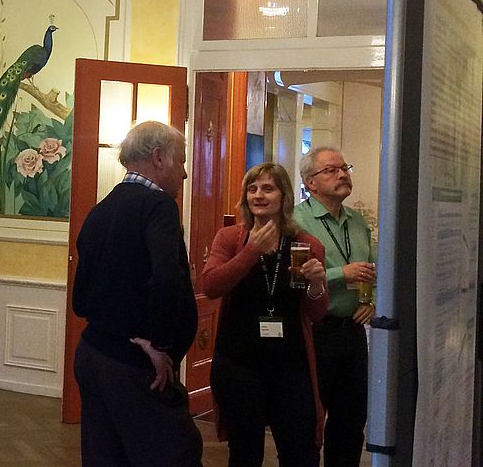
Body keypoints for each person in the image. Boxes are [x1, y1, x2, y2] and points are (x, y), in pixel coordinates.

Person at [72, 121, 203, 466]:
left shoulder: (99, 210)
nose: (184, 173)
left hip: (93, 353)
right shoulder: (159, 206)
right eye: (182, 161)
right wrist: (160, 344)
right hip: (136, 366)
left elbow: (80, 300)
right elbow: (166, 279)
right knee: (176, 455)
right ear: (159, 158)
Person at [198, 162, 328, 467]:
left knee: (301, 453)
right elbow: (210, 286)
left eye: (268, 188)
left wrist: (316, 285)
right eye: (252, 189)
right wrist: (251, 251)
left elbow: (316, 313)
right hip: (239, 366)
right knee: (245, 454)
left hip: (290, 367)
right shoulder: (230, 238)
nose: (258, 195)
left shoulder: (306, 244)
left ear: (284, 197)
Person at [294, 147, 375, 467]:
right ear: (310, 182)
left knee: (351, 422)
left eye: (345, 168)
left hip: (352, 333)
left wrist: (370, 299)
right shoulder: (296, 221)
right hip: (314, 332)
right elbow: (294, 279)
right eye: (331, 170)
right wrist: (342, 273)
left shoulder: (357, 221)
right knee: (308, 422)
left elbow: (373, 267)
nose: (343, 175)